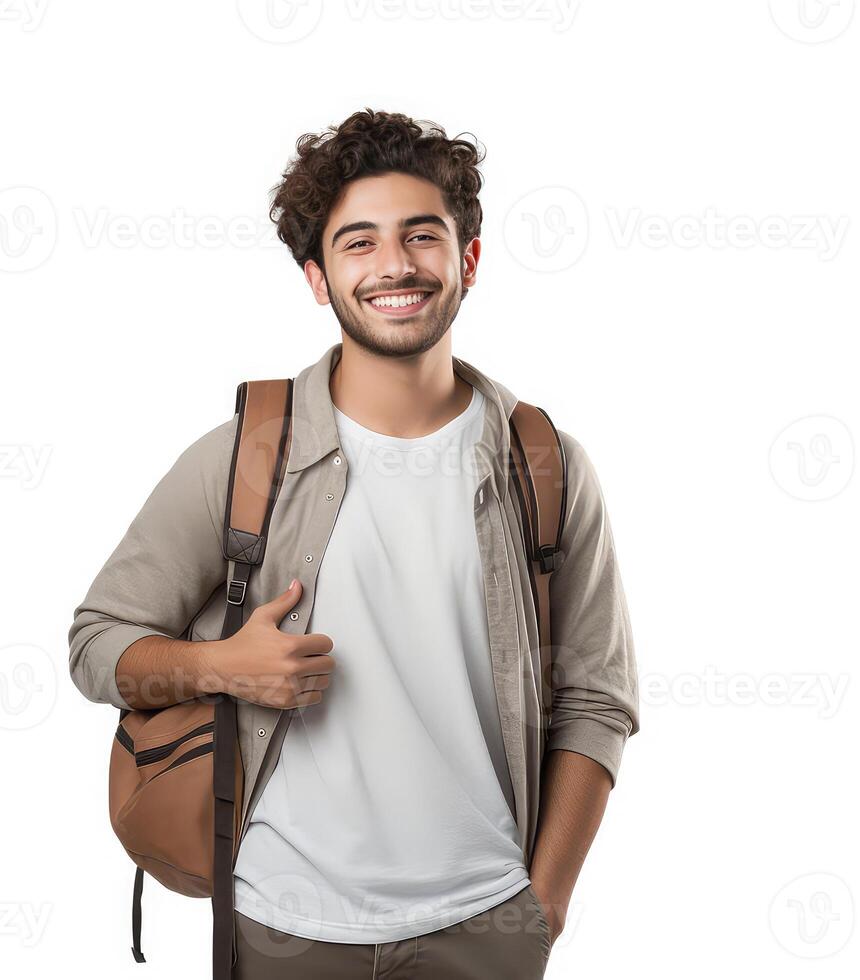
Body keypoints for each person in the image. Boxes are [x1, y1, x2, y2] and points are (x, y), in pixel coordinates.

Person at [68, 108, 640, 979]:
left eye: (422, 235)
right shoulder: (245, 456)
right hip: (281, 920)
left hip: (485, 923)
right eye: (358, 243)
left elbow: (596, 699)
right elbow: (97, 642)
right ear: (317, 277)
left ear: (468, 260)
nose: (395, 265)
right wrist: (222, 667)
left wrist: (543, 909)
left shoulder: (547, 467)